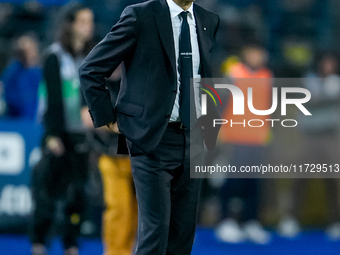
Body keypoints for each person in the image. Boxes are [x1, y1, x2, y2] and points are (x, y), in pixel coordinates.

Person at [78, 0, 220, 254]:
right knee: (155, 233)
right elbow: (91, 69)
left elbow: (203, 77)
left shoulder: (208, 20)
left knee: (183, 236)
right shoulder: (140, 15)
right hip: (152, 138)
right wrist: (108, 119)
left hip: (194, 139)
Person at [30, 3, 94, 255]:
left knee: (78, 194)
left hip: (82, 134)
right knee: (47, 192)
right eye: (83, 21)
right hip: (58, 133)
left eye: (90, 22)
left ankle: (71, 244)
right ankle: (38, 242)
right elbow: (53, 100)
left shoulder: (91, 56)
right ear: (70, 25)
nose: (88, 27)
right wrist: (53, 135)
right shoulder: (54, 56)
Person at [216, 44, 272, 244]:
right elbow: (219, 103)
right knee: (231, 182)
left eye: (259, 52)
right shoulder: (234, 73)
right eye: (252, 52)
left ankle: (251, 222)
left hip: (257, 139)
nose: (256, 56)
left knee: (253, 183)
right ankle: (226, 222)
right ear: (245, 53)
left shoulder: (267, 76)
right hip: (233, 138)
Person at [0, 34, 41, 120]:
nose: (26, 55)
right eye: (22, 52)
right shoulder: (11, 72)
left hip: (35, 120)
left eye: (29, 51)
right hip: (14, 121)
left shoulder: (40, 72)